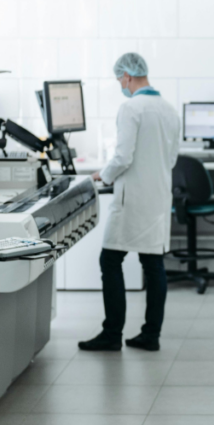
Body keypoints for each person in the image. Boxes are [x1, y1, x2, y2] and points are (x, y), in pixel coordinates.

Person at [79, 52, 180, 353]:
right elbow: (172, 158)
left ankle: (112, 334)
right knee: (153, 264)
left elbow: (122, 157)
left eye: (119, 79)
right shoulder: (169, 110)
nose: (120, 85)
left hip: (133, 199)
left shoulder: (131, 108)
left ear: (127, 76)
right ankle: (151, 334)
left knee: (109, 261)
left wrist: (103, 175)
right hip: (158, 198)